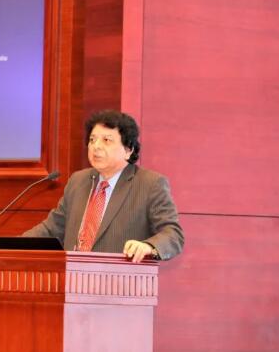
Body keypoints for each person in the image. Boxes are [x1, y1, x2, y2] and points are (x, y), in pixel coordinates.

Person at [23, 110, 184, 262]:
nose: (96, 146)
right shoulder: (78, 181)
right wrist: (13, 246)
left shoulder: (150, 184)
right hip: (72, 278)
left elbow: (173, 234)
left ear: (128, 149)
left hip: (119, 280)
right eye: (92, 140)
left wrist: (148, 246)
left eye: (106, 140)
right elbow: (51, 229)